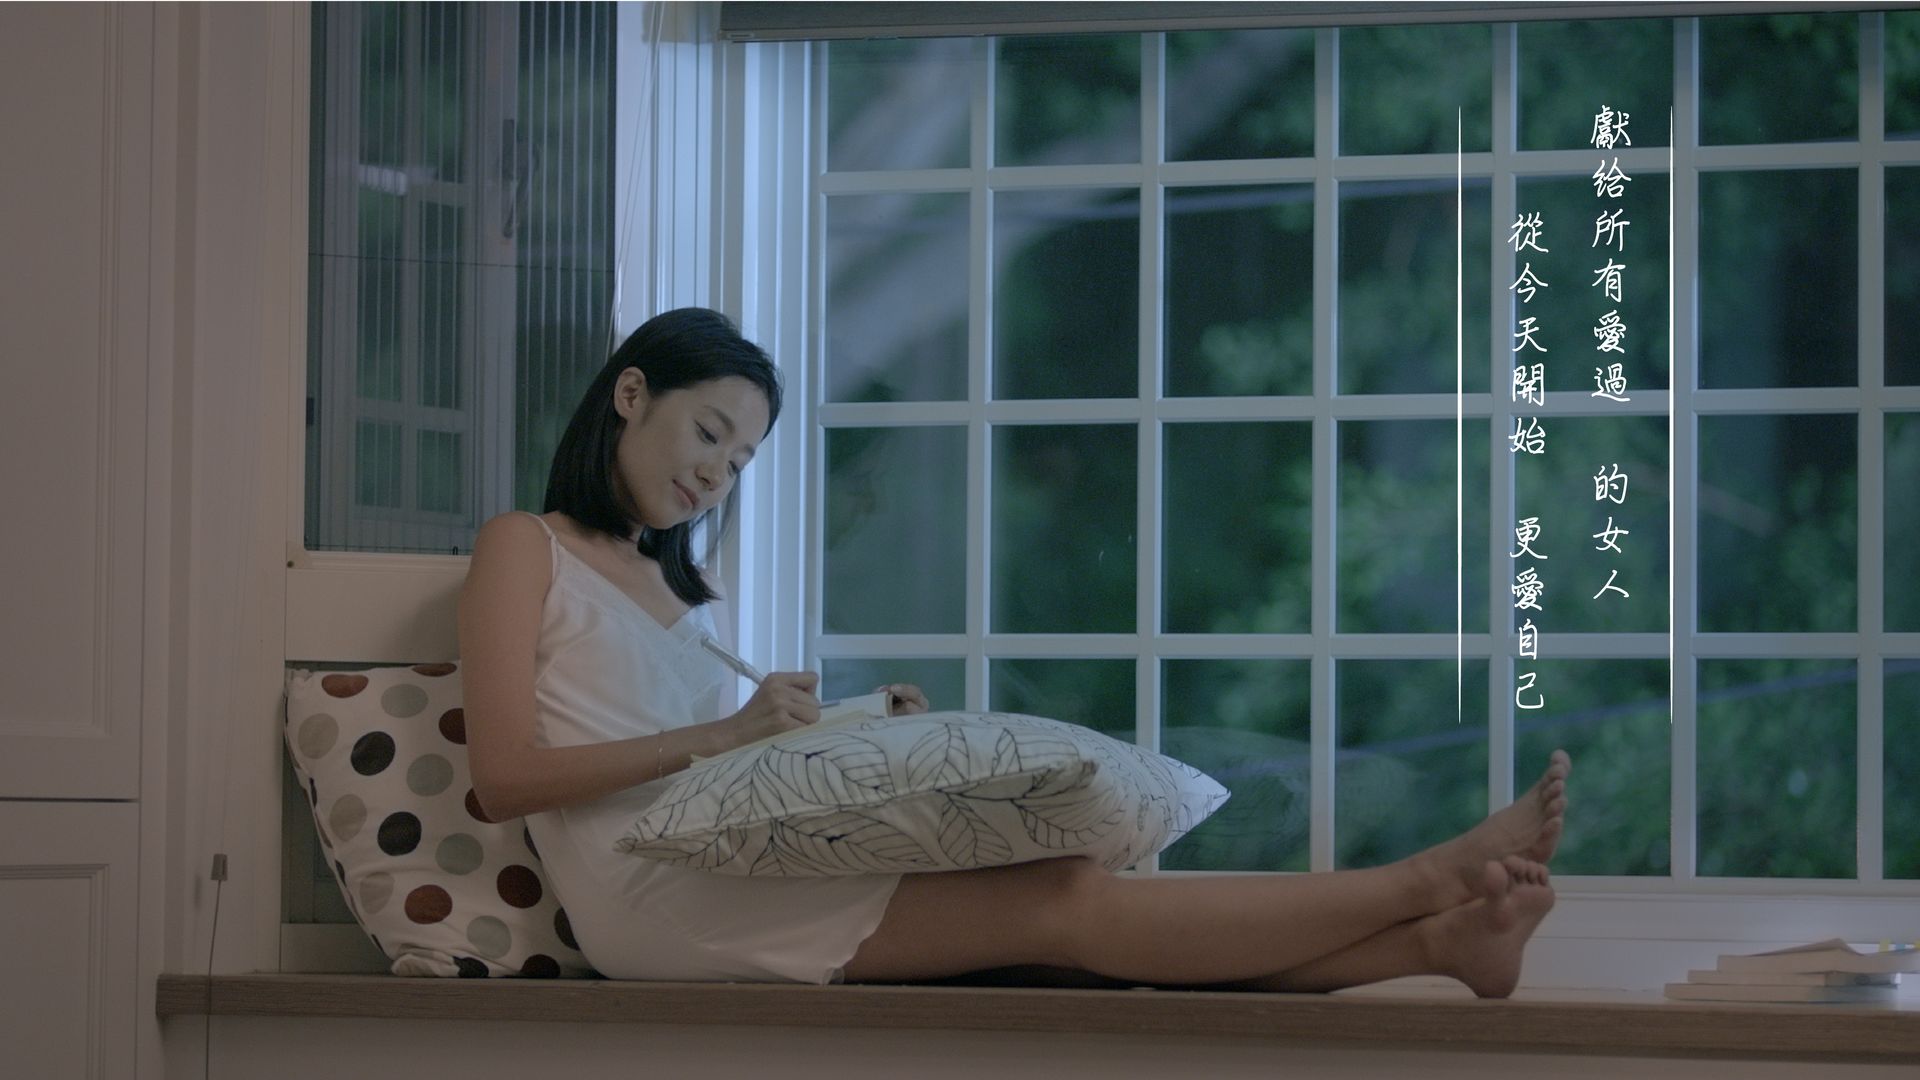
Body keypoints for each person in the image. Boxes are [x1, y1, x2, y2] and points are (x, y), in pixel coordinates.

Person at [459, 306, 1573, 994]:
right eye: (710, 434)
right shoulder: (525, 547)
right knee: (1064, 903)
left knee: (1056, 942)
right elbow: (505, 775)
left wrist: (849, 730)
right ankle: (1426, 881)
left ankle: (1437, 950)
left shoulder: (674, 587)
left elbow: (716, 761)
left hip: (719, 860)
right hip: (650, 898)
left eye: (742, 460)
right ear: (631, 394)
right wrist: (724, 735)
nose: (717, 474)